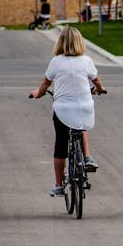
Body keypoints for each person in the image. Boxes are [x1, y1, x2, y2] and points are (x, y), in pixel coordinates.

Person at [30, 26, 105, 197]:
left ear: (60, 43)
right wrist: (100, 89)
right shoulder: (86, 61)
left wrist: (38, 94)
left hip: (63, 109)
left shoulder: (56, 62)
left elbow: (45, 83)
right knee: (81, 125)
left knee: (61, 145)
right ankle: (87, 157)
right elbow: (96, 80)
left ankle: (58, 185)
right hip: (84, 107)